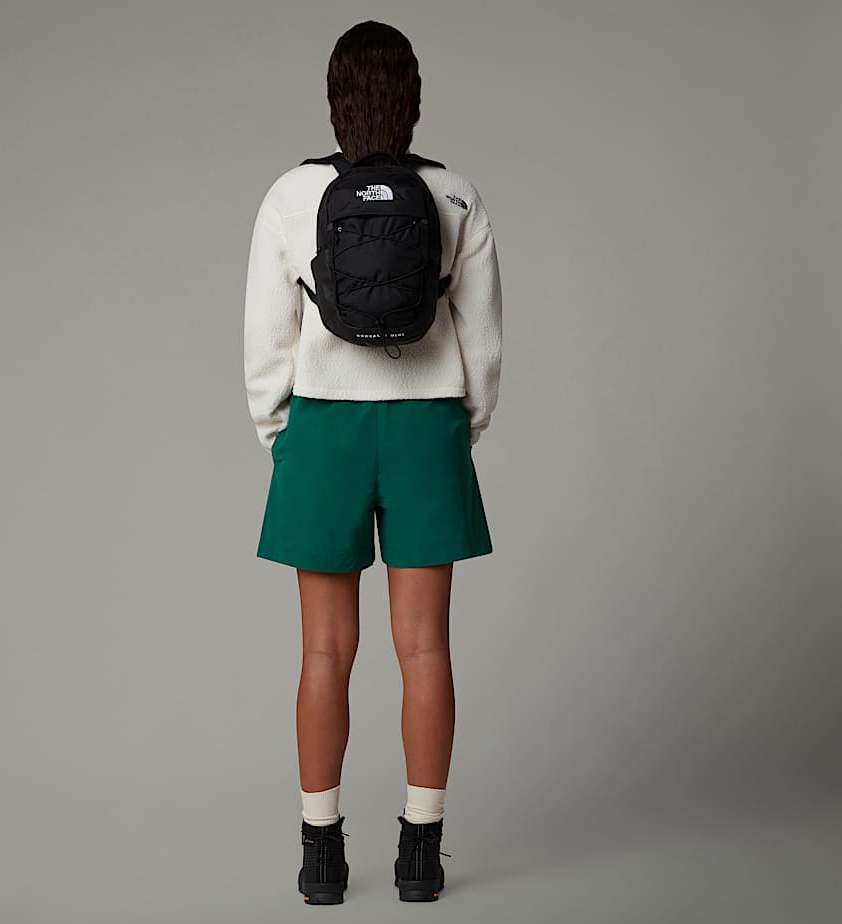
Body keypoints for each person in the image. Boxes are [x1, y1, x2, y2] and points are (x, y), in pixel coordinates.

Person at [242, 20, 502, 904]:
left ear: (334, 100)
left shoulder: (290, 196)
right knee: (425, 647)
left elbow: (265, 343)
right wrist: (458, 431)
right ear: (413, 102)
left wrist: (284, 438)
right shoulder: (456, 195)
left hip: (325, 431)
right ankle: (421, 855)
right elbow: (484, 346)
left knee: (324, 649)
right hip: (427, 427)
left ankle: (321, 856)